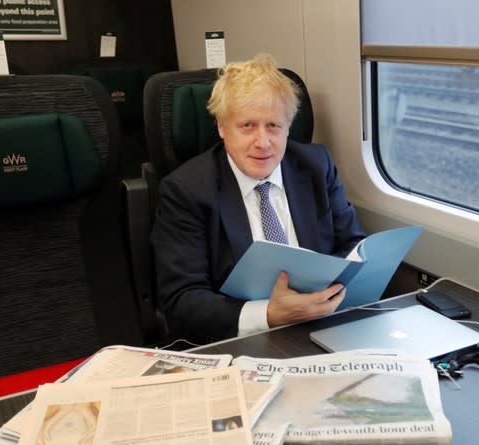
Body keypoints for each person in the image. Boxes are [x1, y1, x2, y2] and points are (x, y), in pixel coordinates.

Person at [151, 53, 365, 345]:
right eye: (247, 126)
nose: (263, 143)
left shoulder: (317, 166)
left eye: (274, 126)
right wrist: (268, 314)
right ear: (222, 128)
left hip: (321, 325)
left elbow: (353, 248)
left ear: (288, 127)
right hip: (239, 340)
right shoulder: (186, 190)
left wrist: (324, 295)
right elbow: (182, 303)